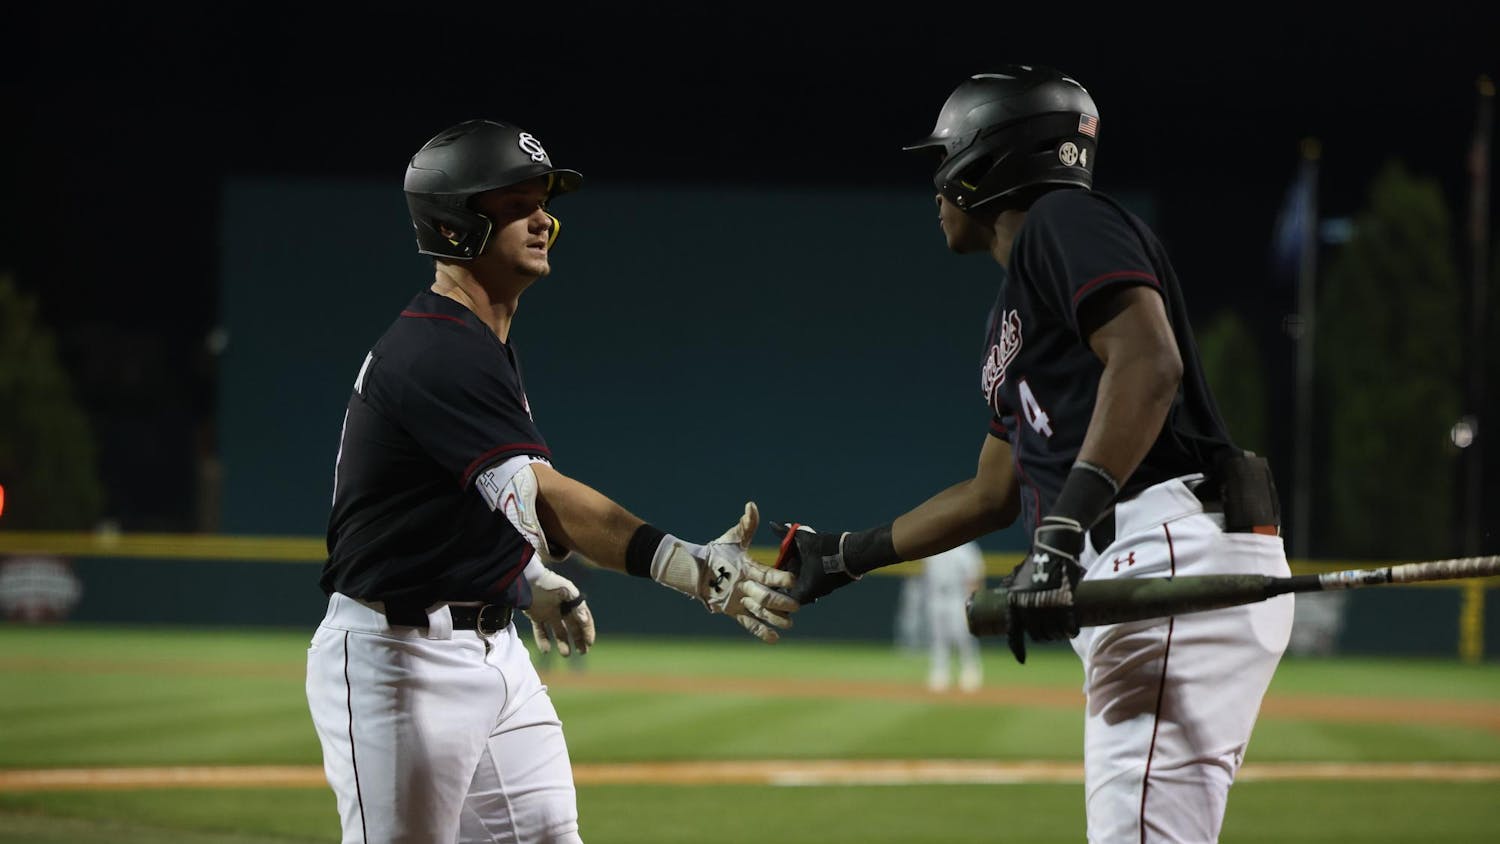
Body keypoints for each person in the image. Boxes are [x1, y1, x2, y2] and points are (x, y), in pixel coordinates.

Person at [772, 66, 1293, 843]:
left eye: (942, 162)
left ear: (983, 165)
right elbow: (992, 493)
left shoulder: (1061, 221)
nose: (936, 188)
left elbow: (1151, 364)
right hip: (1150, 560)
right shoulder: (1015, 308)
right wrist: (851, 555)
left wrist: (1061, 535)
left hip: (1162, 550)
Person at [305, 118, 799, 844]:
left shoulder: (476, 341)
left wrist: (526, 583)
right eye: (516, 204)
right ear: (455, 225)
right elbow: (545, 496)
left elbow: (453, 507)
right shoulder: (439, 351)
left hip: (491, 648)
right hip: (399, 659)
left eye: (544, 201)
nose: (544, 219)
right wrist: (690, 569)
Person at [919, 541, 986, 693]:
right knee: (938, 637)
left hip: (958, 596)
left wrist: (973, 600)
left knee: (963, 635)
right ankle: (940, 672)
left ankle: (970, 670)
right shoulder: (933, 547)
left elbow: (974, 575)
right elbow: (926, 574)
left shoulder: (966, 549)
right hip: (936, 596)